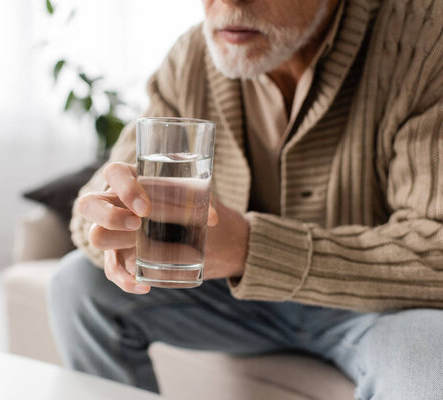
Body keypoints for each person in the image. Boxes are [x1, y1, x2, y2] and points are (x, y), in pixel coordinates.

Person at [48, 0, 443, 398]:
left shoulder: (427, 39)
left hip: (385, 306)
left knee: (430, 370)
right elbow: (114, 181)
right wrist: (109, 217)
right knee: (76, 284)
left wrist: (249, 249)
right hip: (245, 302)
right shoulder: (193, 56)